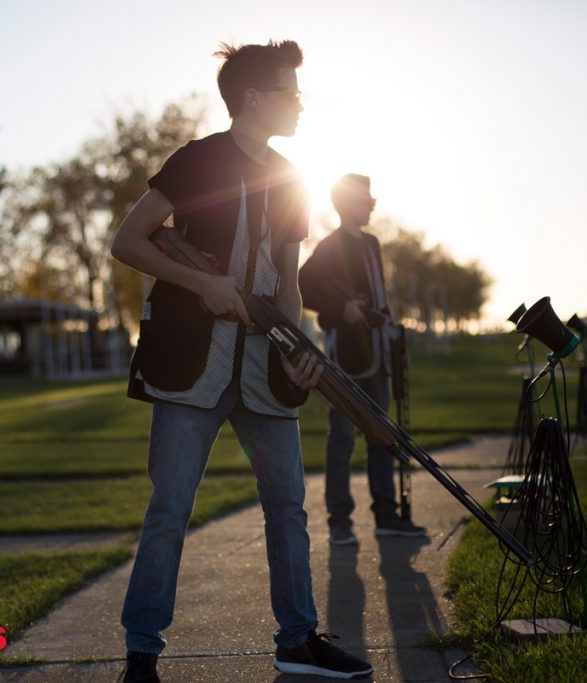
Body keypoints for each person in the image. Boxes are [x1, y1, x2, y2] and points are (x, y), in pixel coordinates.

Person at [111, 41, 373, 682]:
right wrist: (200, 282)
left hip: (264, 370)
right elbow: (128, 240)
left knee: (288, 510)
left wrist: (299, 350)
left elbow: (287, 281)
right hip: (190, 368)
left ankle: (297, 640)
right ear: (253, 99)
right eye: (291, 92)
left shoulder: (293, 177)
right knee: (170, 511)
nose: (301, 104)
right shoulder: (195, 160)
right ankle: (141, 653)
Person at [299, 174, 427, 546]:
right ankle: (340, 521)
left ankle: (386, 515)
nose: (371, 205)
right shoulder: (330, 246)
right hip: (346, 358)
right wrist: (341, 308)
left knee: (382, 437)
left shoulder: (372, 244)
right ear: (346, 204)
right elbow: (303, 285)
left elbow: (378, 296)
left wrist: (391, 333)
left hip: (378, 353)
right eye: (365, 200)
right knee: (341, 439)